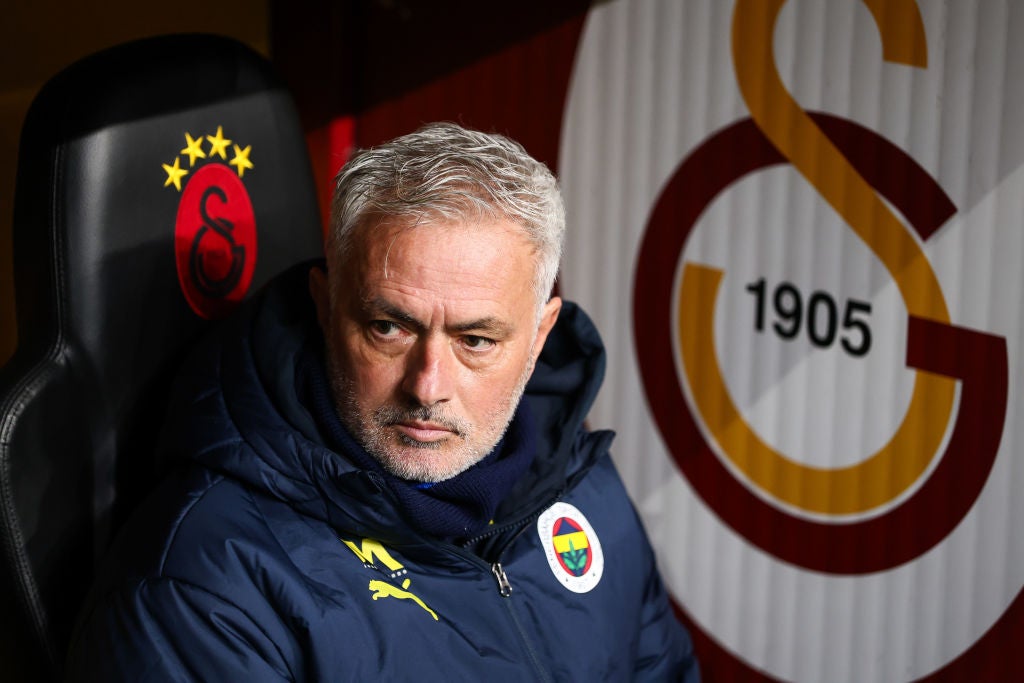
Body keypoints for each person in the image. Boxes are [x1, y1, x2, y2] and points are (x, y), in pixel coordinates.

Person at [67, 122, 700, 681]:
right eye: (388, 328)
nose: (427, 386)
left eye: (476, 341)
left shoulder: (582, 485)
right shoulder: (202, 584)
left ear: (539, 337)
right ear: (325, 308)